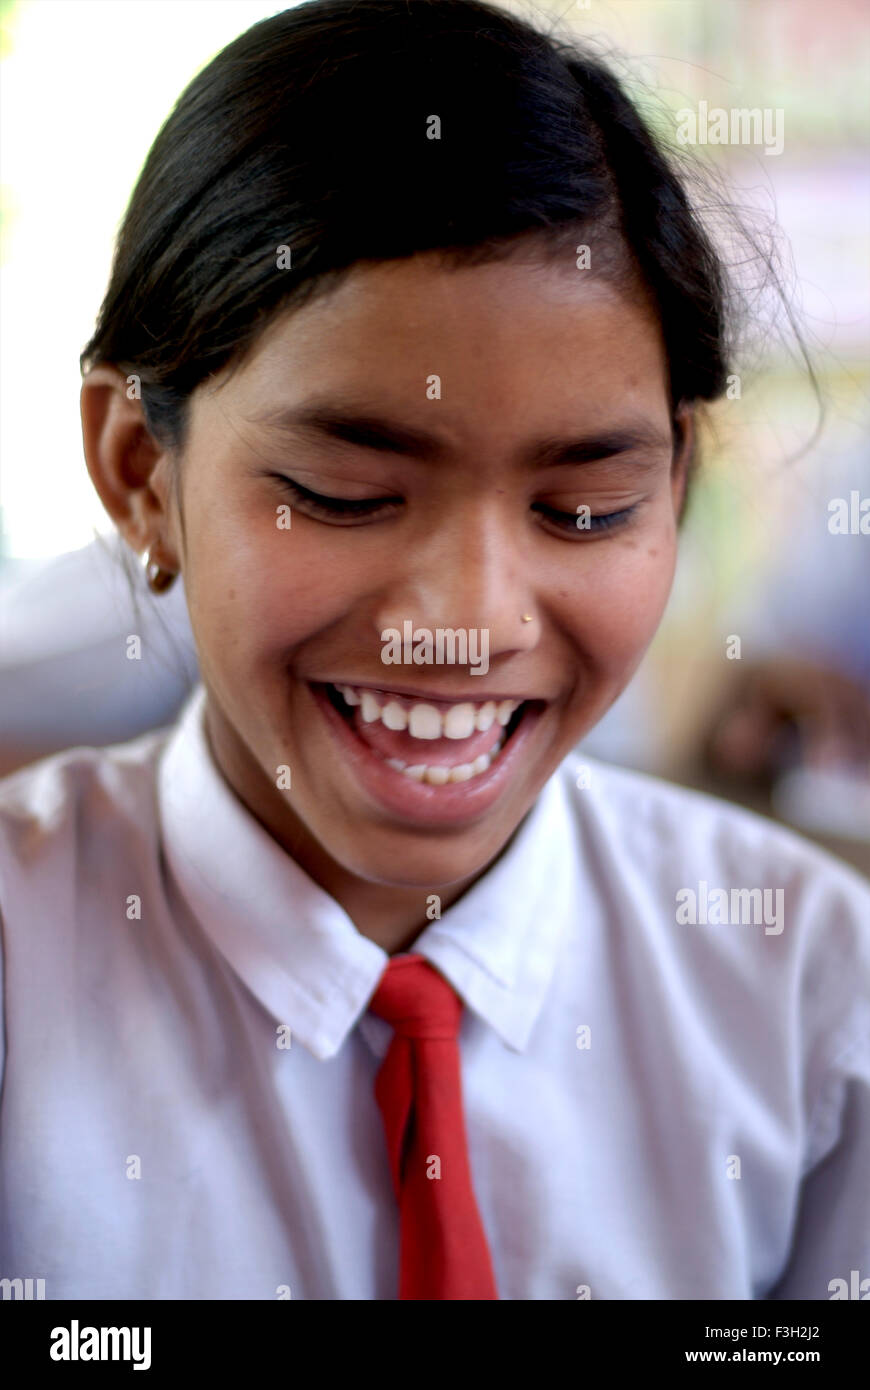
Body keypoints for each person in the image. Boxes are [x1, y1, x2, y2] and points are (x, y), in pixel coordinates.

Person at [0, 0, 867, 1302]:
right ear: (139, 471)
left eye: (582, 509)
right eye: (345, 493)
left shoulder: (810, 1000)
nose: (469, 616)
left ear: (674, 485)